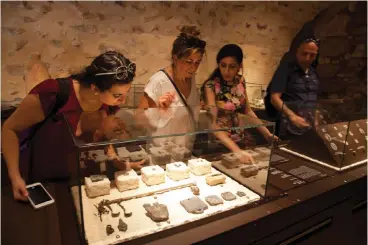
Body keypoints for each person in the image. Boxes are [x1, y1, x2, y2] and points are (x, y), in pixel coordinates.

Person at [2, 51, 145, 201]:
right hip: (44, 180)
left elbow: (103, 138)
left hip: (81, 180)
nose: (123, 101)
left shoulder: (108, 103)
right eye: (117, 95)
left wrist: (118, 163)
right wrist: (15, 177)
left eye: (126, 92)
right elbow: (9, 129)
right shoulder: (54, 93)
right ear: (95, 89)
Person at [201, 44, 278, 162]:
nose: (226, 71)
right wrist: (236, 150)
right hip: (220, 143)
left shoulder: (240, 81)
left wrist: (267, 134)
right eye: (223, 65)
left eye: (232, 66)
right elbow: (212, 124)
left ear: (239, 66)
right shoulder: (211, 86)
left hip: (241, 140)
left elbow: (248, 111)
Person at [137, 26, 205, 147]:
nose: (194, 68)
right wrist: (158, 109)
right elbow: (138, 118)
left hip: (186, 149)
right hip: (161, 151)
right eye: (189, 62)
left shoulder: (191, 77)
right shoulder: (158, 81)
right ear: (175, 58)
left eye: (197, 62)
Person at [266, 37, 320, 138]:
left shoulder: (314, 73)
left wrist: (316, 118)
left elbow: (314, 98)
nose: (308, 58)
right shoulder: (286, 70)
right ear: (297, 52)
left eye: (312, 55)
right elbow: (274, 98)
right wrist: (292, 116)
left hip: (309, 125)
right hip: (289, 126)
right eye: (304, 53)